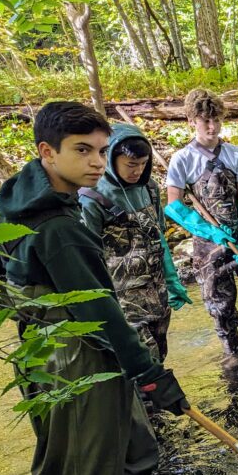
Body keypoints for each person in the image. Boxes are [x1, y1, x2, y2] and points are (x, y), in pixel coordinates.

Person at [0, 102, 189, 475]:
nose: (97, 162)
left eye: (102, 150)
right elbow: (101, 311)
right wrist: (150, 374)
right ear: (47, 152)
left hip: (80, 358)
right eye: (83, 151)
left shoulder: (31, 209)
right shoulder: (58, 229)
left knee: (134, 453)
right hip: (73, 365)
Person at [164, 89, 238, 366]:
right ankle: (232, 354)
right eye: (205, 121)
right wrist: (210, 231)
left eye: (216, 120)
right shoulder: (182, 160)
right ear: (191, 121)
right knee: (220, 304)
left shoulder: (237, 156)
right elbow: (173, 205)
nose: (212, 127)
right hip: (209, 245)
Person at [80, 123, 192, 363]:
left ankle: (157, 400)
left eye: (142, 164)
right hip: (125, 303)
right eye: (131, 165)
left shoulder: (149, 188)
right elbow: (86, 257)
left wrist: (172, 280)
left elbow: (159, 235)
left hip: (158, 295)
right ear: (111, 158)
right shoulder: (92, 197)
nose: (137, 171)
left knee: (159, 357)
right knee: (144, 365)